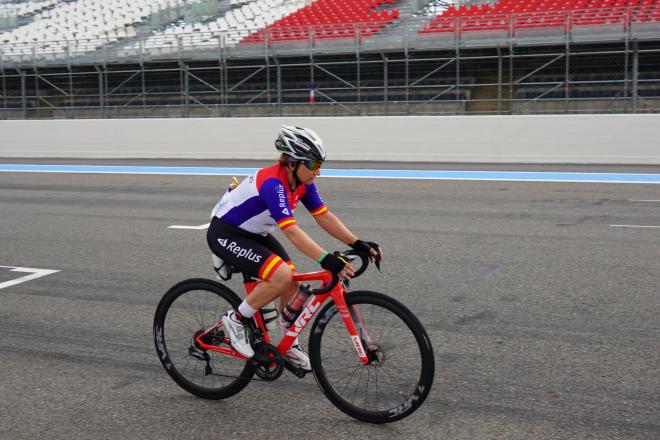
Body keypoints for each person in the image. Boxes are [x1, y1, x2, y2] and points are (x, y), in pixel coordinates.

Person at [207, 125, 383, 372]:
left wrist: (357, 243)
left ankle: (288, 345)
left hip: (256, 234)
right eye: (312, 165)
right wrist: (325, 259)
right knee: (281, 276)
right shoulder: (273, 184)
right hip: (226, 233)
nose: (318, 172)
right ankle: (236, 319)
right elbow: (290, 230)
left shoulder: (303, 181)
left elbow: (324, 216)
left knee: (290, 281)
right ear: (292, 162)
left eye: (319, 165)